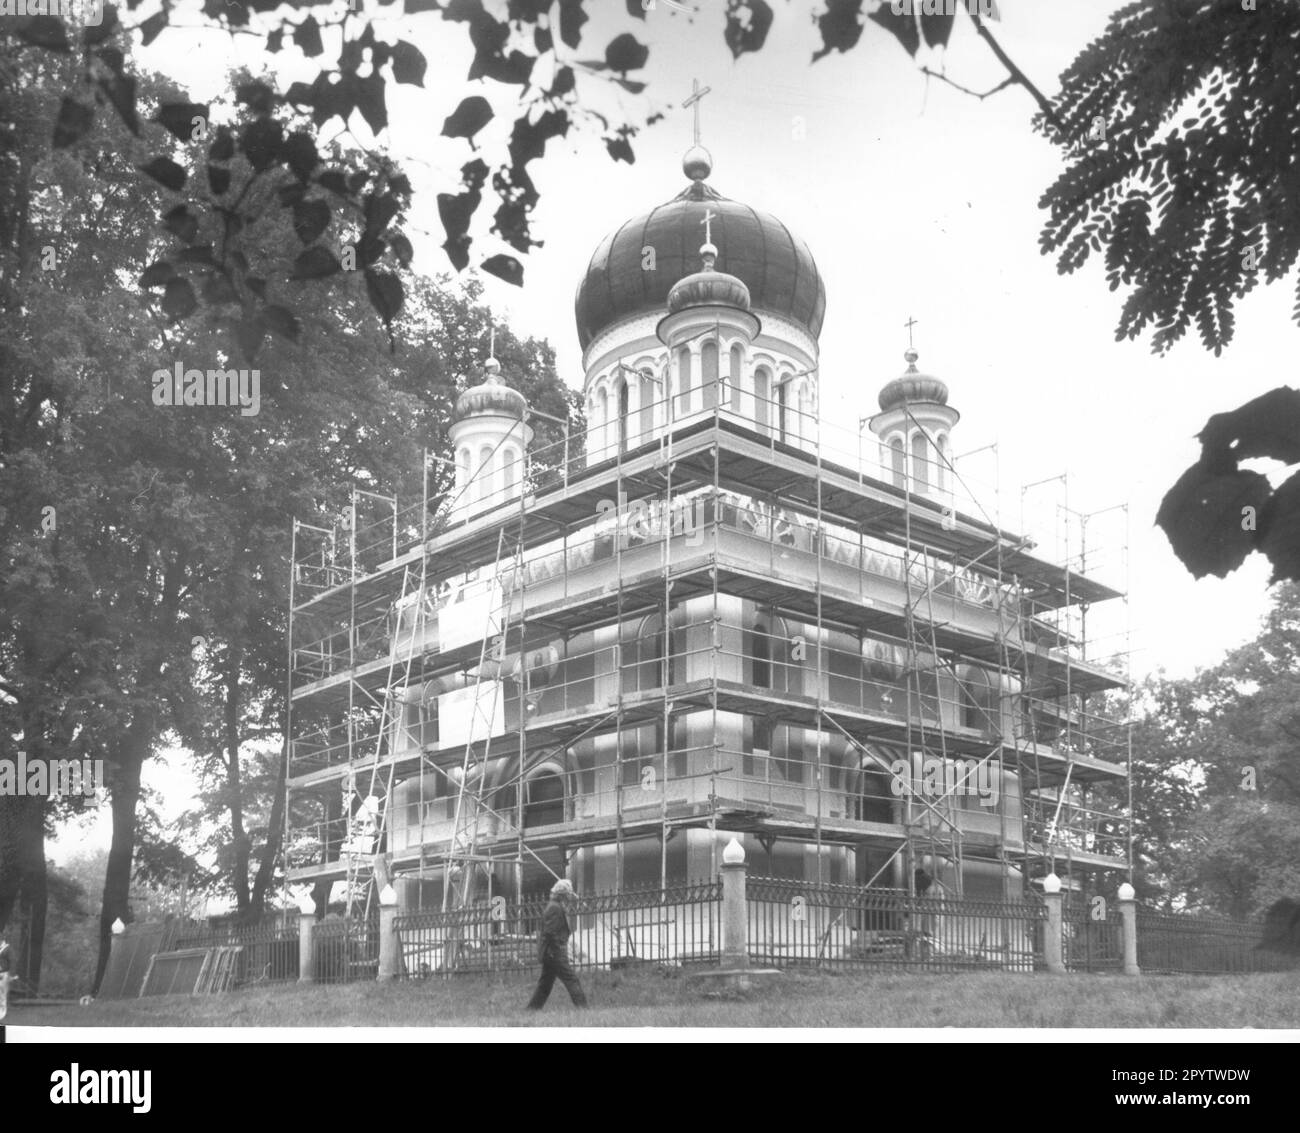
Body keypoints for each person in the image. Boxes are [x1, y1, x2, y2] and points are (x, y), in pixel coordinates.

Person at [525, 879, 588, 1011]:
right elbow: (550, 932)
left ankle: (532, 1010)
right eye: (568, 893)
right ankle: (583, 1009)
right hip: (554, 952)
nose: (570, 896)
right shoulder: (554, 907)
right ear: (562, 894)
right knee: (571, 979)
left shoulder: (555, 905)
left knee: (545, 984)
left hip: (550, 952)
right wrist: (558, 948)